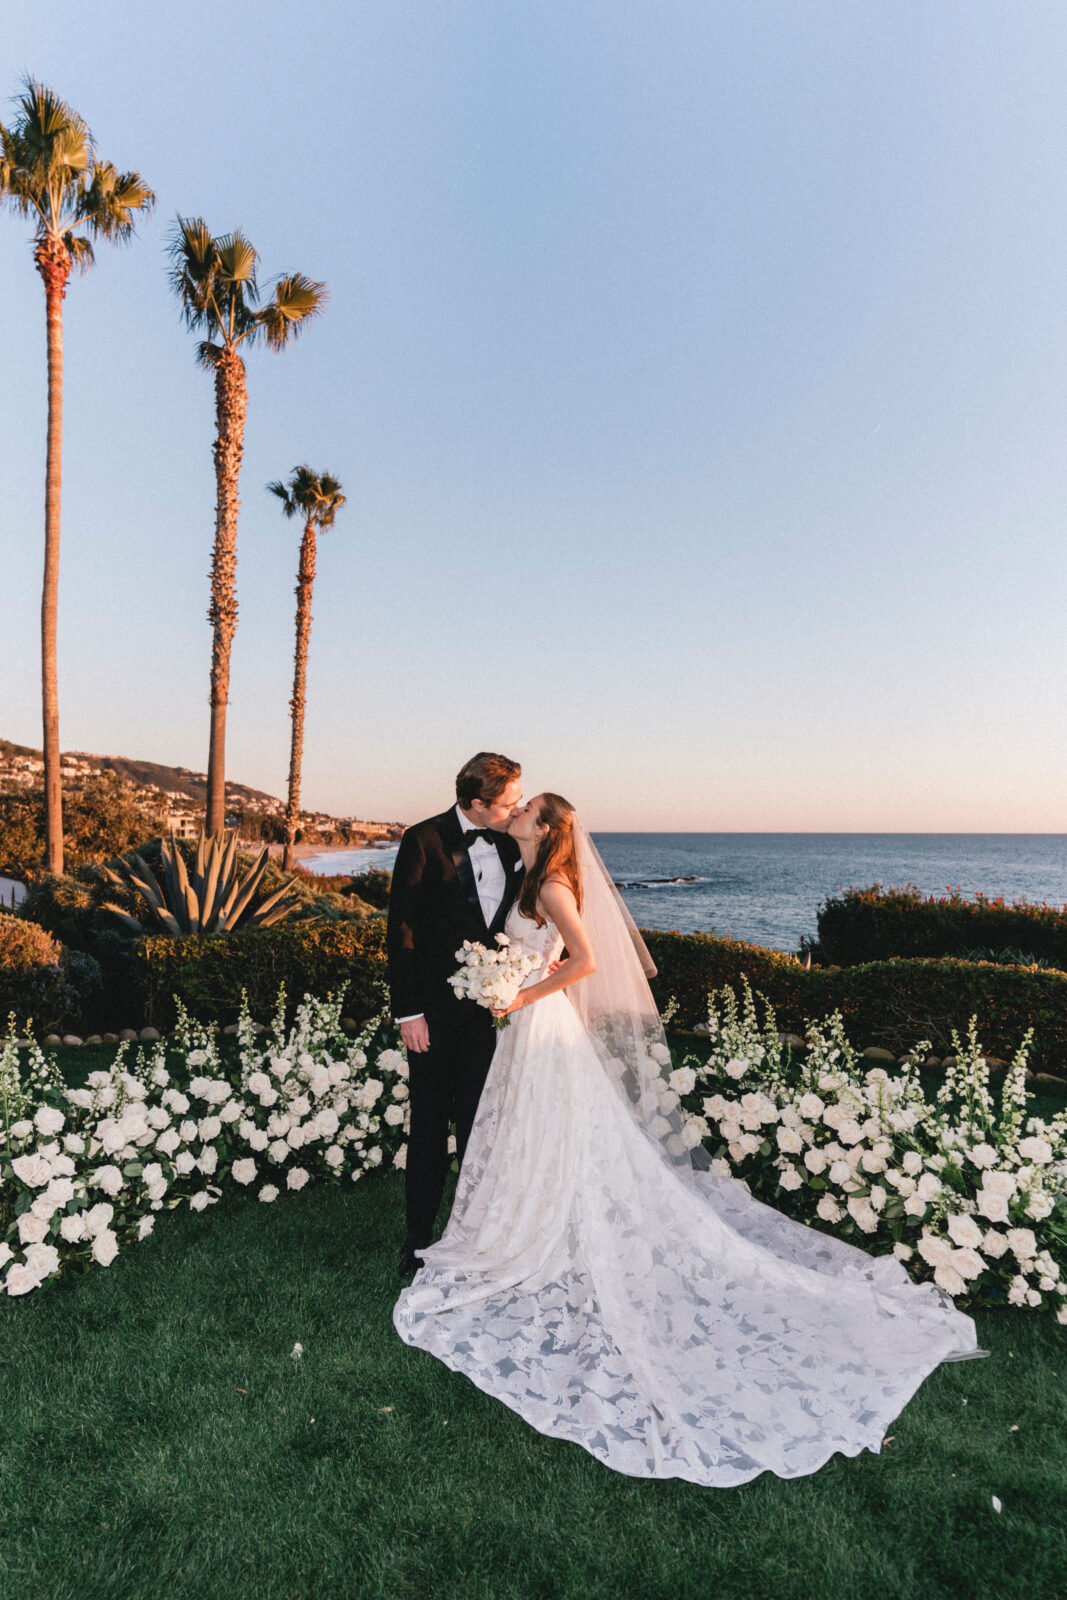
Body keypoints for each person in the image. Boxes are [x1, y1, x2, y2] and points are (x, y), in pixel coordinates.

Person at [394, 793, 984, 1487]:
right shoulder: (529, 878)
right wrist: (500, 978)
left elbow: (581, 961)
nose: (516, 811)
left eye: (527, 809)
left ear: (547, 829)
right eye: (512, 804)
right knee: (533, 1133)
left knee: (557, 1132)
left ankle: (546, 1226)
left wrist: (516, 995)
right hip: (527, 1029)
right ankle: (531, 1217)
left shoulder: (551, 885)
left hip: (537, 1023)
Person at [386, 752, 525, 1278]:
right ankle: (417, 1240)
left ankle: (470, 1234)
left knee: (478, 1127)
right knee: (428, 1128)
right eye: (509, 800)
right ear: (477, 804)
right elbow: (402, 932)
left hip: (493, 1016)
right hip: (433, 1016)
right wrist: (409, 1013)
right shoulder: (422, 840)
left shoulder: (515, 842)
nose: (517, 807)